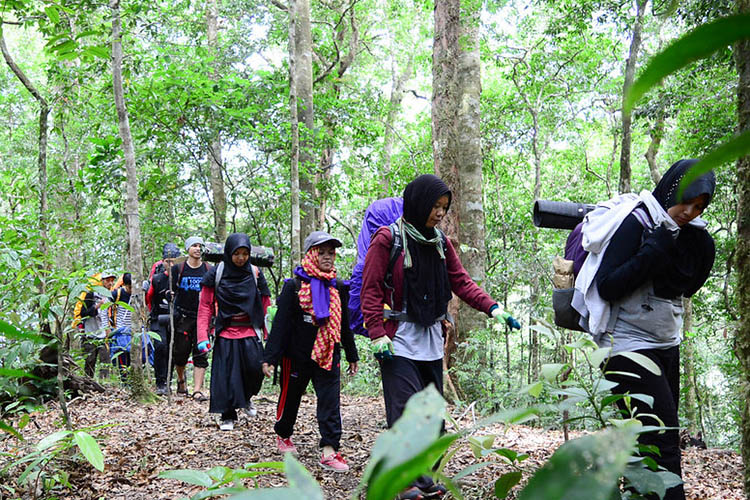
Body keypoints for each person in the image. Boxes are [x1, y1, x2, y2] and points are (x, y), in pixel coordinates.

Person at [360, 174, 520, 499]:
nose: (439, 213)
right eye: (435, 206)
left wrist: (494, 308)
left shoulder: (440, 243)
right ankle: (403, 484)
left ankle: (424, 479)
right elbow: (370, 289)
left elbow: (461, 282)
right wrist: (376, 333)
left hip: (431, 341)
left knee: (433, 419)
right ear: (418, 203)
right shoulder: (386, 239)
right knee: (406, 415)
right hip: (398, 342)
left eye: (444, 207)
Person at [591, 160, 715, 500]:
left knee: (648, 440)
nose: (690, 211)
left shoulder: (688, 235)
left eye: (699, 207)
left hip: (665, 341)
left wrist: (698, 247)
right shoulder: (639, 222)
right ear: (672, 190)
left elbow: (686, 286)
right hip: (625, 344)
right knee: (661, 440)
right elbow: (607, 285)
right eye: (687, 201)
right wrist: (655, 247)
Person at [262, 231, 359, 472]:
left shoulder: (337, 286)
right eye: (322, 252)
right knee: (291, 396)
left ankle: (329, 449)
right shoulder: (294, 287)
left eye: (331, 252)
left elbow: (344, 323)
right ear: (311, 254)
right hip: (296, 355)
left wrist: (352, 353)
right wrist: (270, 358)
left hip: (328, 353)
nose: (327, 257)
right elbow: (281, 324)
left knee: (330, 400)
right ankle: (283, 434)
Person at [196, 233, 271, 431]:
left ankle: (246, 398)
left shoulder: (255, 273)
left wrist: (269, 331)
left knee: (256, 371)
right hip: (225, 331)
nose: (240, 258)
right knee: (226, 375)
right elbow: (205, 306)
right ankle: (227, 415)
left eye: (245, 253)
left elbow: (265, 304)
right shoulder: (217, 273)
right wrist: (202, 336)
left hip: (250, 330)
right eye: (236, 253)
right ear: (229, 253)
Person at [172, 236, 212, 400]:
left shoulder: (208, 269)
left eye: (200, 246)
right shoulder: (178, 269)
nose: (197, 249)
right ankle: (181, 381)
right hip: (183, 316)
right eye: (194, 246)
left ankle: (197, 390)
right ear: (187, 248)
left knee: (201, 352)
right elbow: (171, 288)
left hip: (203, 318)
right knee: (181, 353)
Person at [146, 243, 180, 395]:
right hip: (158, 318)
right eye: (168, 261)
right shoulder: (157, 279)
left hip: (176, 319)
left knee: (173, 350)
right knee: (161, 347)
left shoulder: (181, 279)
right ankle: (160, 383)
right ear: (163, 262)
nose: (171, 264)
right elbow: (149, 299)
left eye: (174, 261)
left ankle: (169, 381)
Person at [79, 271, 117, 379]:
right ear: (102, 281)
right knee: (90, 361)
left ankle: (105, 384)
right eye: (108, 280)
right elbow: (83, 313)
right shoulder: (91, 294)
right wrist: (96, 306)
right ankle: (88, 383)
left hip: (104, 335)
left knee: (105, 362)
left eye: (112, 281)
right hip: (90, 333)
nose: (110, 283)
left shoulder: (110, 296)